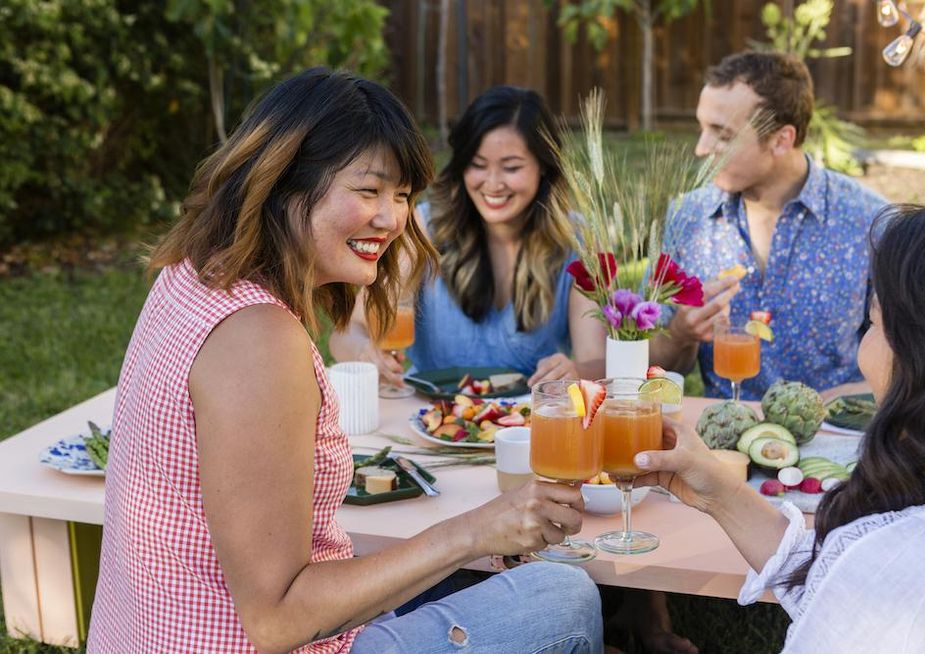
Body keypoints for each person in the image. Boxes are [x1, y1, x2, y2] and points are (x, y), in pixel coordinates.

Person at [86, 68, 603, 654]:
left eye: (403, 195)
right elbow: (277, 620)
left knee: (482, 575)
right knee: (565, 596)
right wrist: (476, 529)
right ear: (285, 183)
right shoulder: (257, 338)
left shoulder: (191, 277)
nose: (393, 218)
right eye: (368, 191)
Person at [636, 201, 925, 652]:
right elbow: (833, 581)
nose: (863, 349)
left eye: (872, 323)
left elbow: (866, 586)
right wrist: (718, 493)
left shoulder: (906, 566)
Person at [330, 85, 606, 387]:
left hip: (526, 426)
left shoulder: (579, 239)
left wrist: (576, 372)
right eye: (477, 165)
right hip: (429, 419)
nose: (493, 184)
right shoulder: (424, 228)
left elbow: (596, 360)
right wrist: (364, 354)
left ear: (544, 167)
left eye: (511, 168)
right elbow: (348, 332)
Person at [651, 51, 886, 400]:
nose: (701, 148)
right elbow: (647, 367)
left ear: (781, 140)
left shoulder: (870, 222)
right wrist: (680, 332)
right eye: (702, 128)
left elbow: (912, 366)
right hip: (719, 440)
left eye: (722, 134)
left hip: (832, 441)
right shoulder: (688, 217)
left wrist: (844, 398)